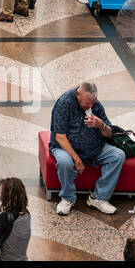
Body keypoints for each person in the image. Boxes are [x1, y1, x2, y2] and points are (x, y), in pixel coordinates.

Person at [48, 81, 124, 215]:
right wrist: (77, 159)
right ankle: (68, 198)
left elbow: (110, 133)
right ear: (78, 94)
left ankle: (99, 197)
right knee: (65, 162)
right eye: (87, 103)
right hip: (65, 147)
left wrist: (101, 125)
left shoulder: (95, 106)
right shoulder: (64, 104)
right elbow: (60, 136)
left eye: (92, 103)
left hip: (94, 147)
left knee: (117, 156)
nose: (90, 106)